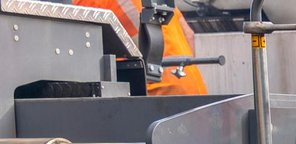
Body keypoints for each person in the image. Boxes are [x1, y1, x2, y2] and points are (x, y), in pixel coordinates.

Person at [72, 0, 207, 95]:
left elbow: (80, 47)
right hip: (192, 86)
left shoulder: (88, 2)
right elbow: (189, 35)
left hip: (160, 94)